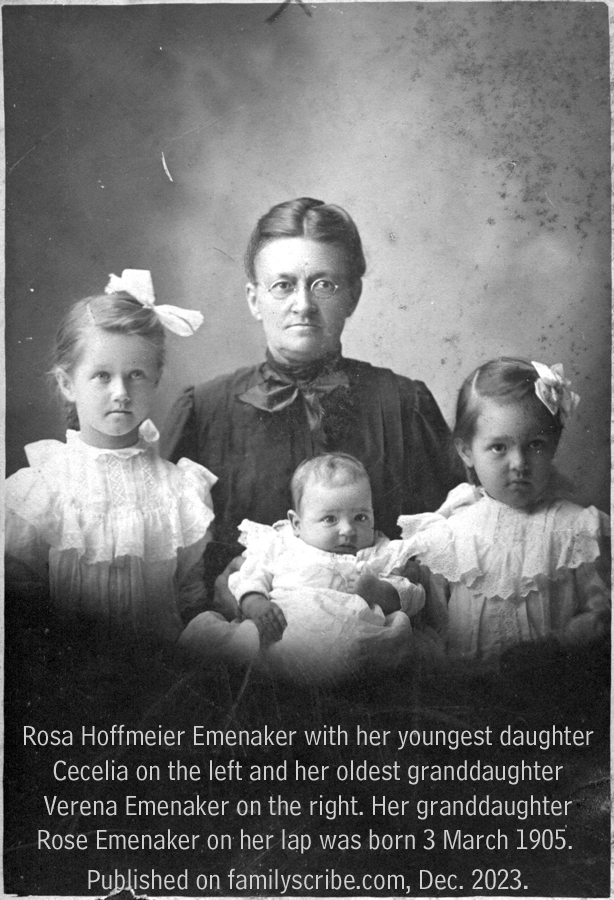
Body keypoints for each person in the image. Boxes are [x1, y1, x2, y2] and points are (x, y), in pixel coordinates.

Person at [162, 197, 462, 616]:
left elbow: (451, 548)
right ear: (254, 299)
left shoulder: (403, 405)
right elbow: (166, 564)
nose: (303, 304)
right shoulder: (205, 410)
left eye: (324, 285)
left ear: (353, 296)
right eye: (283, 285)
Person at [4, 269, 217, 646]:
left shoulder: (180, 490)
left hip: (160, 671)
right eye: (102, 376)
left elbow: (189, 598)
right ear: (67, 383)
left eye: (136, 374)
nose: (121, 392)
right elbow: (20, 605)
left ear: (156, 379)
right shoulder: (42, 489)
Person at [399, 358, 610, 663]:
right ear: (466, 451)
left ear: (553, 444)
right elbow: (435, 628)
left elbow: (601, 615)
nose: (519, 463)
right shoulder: (451, 534)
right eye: (499, 447)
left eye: (535, 444)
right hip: (468, 684)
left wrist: (566, 641)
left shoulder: (577, 530)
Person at [179, 453, 430, 682]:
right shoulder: (281, 543)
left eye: (360, 517)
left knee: (377, 649)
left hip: (352, 634)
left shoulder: (379, 551)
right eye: (330, 519)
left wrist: (379, 591)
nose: (348, 530)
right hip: (281, 628)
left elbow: (413, 595)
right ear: (297, 524)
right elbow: (249, 575)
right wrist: (256, 604)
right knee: (229, 645)